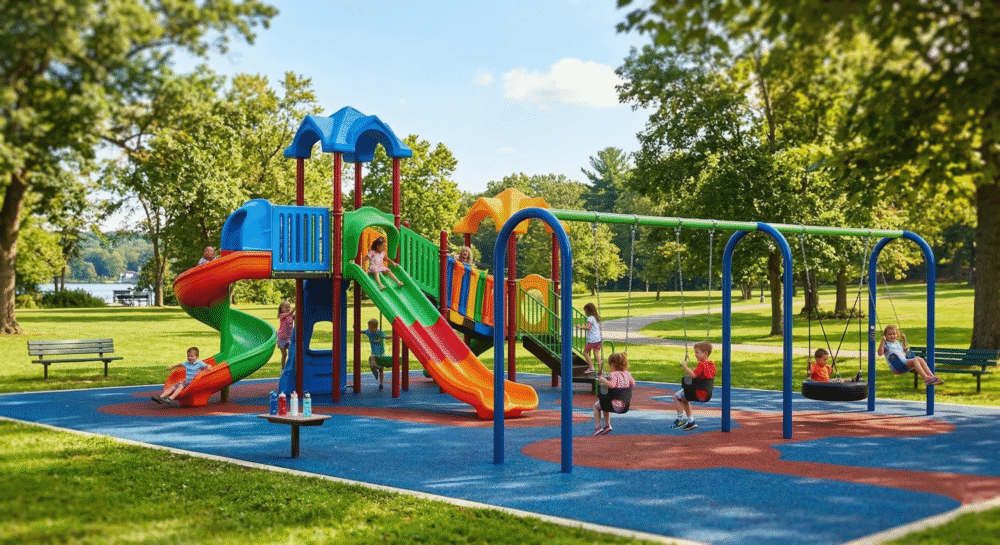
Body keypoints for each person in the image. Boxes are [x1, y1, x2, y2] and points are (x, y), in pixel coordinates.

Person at [672, 340, 716, 431]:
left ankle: (680, 419)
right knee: (684, 399)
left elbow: (693, 375)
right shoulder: (711, 365)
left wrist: (685, 366)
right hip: (706, 393)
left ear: (705, 353)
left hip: (696, 391)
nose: (695, 354)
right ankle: (691, 422)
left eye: (697, 352)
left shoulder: (702, 364)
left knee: (676, 396)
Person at [877, 324, 943, 385]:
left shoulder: (897, 343)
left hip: (904, 363)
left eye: (894, 334)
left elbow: (905, 349)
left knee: (920, 359)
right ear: (885, 336)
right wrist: (882, 342)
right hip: (897, 365)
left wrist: (904, 340)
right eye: (889, 334)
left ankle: (932, 377)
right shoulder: (886, 344)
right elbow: (880, 353)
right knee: (915, 360)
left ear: (897, 335)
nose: (892, 336)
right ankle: (926, 378)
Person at [592, 352, 635, 436]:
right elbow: (633, 383)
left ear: (613, 365)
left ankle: (598, 427)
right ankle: (607, 425)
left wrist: (603, 380)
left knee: (597, 406)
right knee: (604, 402)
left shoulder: (613, 374)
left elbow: (612, 385)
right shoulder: (627, 374)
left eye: (609, 365)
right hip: (624, 405)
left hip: (612, 404)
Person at [361, 318, 390, 390]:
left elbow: (386, 337)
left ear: (376, 327)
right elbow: (361, 331)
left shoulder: (379, 333)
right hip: (374, 352)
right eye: (369, 327)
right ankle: (375, 372)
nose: (369, 328)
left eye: (371, 327)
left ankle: (381, 384)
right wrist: (355, 327)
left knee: (381, 370)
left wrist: (395, 336)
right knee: (372, 363)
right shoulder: (368, 332)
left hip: (381, 352)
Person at [576, 302, 602, 376]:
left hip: (592, 339)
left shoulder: (590, 318)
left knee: (585, 352)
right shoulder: (596, 317)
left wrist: (580, 327)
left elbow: (588, 327)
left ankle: (591, 367)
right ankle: (600, 370)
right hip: (598, 339)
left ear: (588, 310)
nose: (585, 313)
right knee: (596, 354)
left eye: (585, 311)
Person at [276, 301, 294, 368]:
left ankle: (290, 367)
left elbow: (297, 316)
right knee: (284, 355)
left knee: (291, 353)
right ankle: (283, 368)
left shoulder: (291, 316)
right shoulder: (282, 315)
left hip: (289, 338)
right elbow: (289, 313)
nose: (288, 308)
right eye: (286, 307)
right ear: (282, 309)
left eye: (289, 307)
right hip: (281, 338)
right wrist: (295, 308)